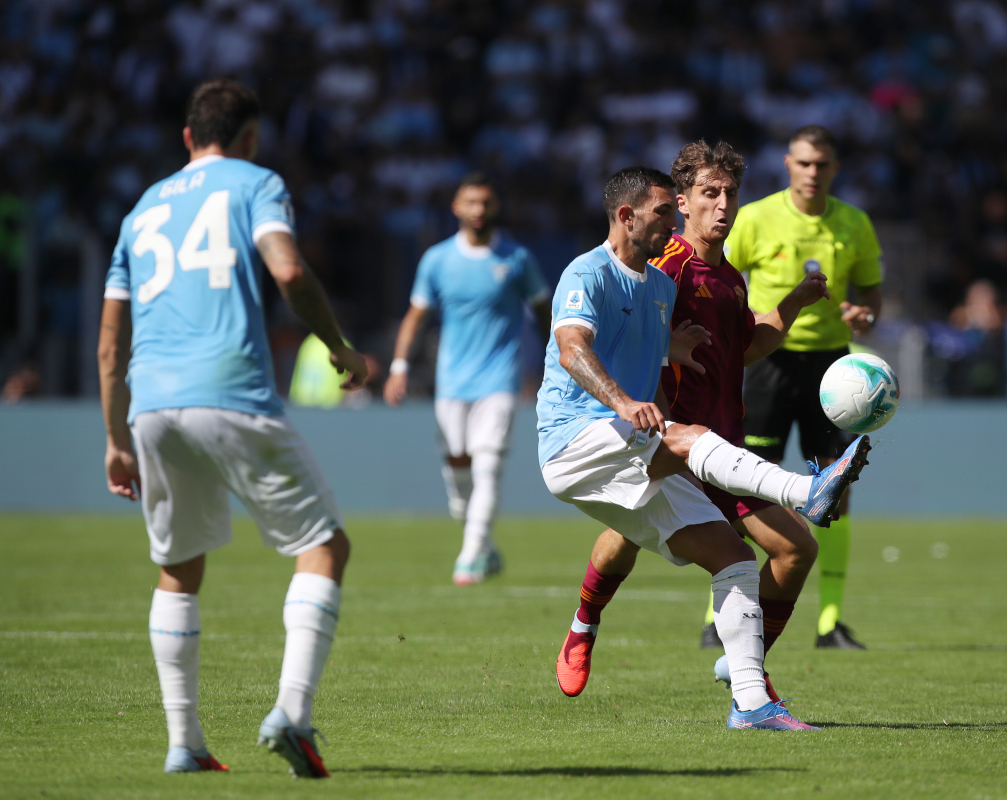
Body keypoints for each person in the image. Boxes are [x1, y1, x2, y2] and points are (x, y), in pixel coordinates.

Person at [98, 80, 369, 778]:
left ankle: (184, 743)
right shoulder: (256, 181)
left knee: (179, 570)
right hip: (229, 390)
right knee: (323, 547)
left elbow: (108, 342)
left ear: (187, 137)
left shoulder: (139, 211)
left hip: (150, 405)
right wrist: (337, 344)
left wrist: (114, 439)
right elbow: (286, 267)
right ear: (248, 137)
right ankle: (293, 715)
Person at [538, 165, 871, 730]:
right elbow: (573, 346)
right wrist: (625, 401)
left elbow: (707, 342)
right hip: (580, 438)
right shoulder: (589, 271)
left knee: (737, 560)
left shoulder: (668, 286)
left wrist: (673, 348)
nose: (687, 218)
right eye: (670, 210)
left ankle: (751, 702)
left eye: (728, 194)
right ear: (629, 216)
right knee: (672, 467)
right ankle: (807, 491)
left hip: (653, 444)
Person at [727, 125, 883, 650]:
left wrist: (865, 313)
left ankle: (829, 621)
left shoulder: (854, 223)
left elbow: (871, 294)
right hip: (767, 365)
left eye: (822, 164)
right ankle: (718, 612)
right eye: (804, 163)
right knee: (742, 485)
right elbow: (721, 278)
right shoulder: (754, 218)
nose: (813, 173)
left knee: (837, 493)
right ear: (788, 164)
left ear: (834, 169)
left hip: (833, 375)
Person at [383, 173, 551, 584]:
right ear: (456, 207)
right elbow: (415, 317)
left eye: (486, 203)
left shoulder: (517, 259)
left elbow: (546, 314)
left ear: (496, 207)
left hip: (500, 379)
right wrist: (399, 367)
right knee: (458, 476)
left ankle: (470, 557)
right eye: (471, 202)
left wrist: (554, 363)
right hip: (452, 383)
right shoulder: (438, 260)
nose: (479, 211)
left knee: (488, 466)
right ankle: (484, 546)